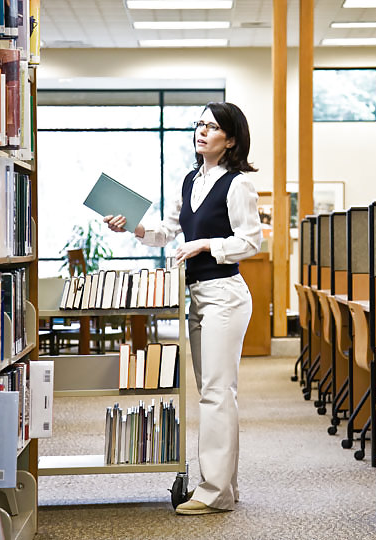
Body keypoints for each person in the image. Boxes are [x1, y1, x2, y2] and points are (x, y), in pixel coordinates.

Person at [104, 102, 262, 515]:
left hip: (225, 295)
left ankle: (214, 492)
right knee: (214, 392)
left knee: (216, 392)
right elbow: (165, 231)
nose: (202, 131)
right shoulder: (190, 179)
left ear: (230, 139)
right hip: (195, 295)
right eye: (199, 125)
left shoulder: (238, 184)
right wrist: (134, 227)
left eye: (212, 127)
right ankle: (227, 485)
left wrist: (209, 244)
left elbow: (251, 241)